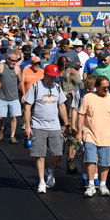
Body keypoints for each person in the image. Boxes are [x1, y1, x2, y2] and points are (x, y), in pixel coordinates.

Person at [23, 64, 70, 194]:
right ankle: (42, 182)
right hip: (38, 126)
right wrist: (28, 126)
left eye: (54, 77)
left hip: (54, 125)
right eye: (50, 77)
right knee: (40, 155)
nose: (52, 79)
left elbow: (62, 107)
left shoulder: (58, 88)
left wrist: (66, 125)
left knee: (58, 152)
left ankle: (49, 171)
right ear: (45, 75)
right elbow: (27, 107)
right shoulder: (36, 87)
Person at [76, 75, 110, 198]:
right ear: (97, 87)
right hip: (90, 134)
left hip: (107, 135)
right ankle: (91, 185)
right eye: (103, 88)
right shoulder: (88, 97)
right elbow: (81, 114)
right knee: (90, 160)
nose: (106, 90)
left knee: (105, 162)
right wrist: (79, 132)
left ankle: (103, 185)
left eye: (107, 87)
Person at [0, 52, 22, 144]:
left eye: (16, 61)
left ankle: (12, 136)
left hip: (14, 97)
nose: (14, 62)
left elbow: (21, 82)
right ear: (7, 59)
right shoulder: (0, 67)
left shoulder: (17, 69)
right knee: (0, 117)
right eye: (12, 60)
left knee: (14, 117)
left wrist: (24, 94)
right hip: (2, 96)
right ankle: (2, 127)